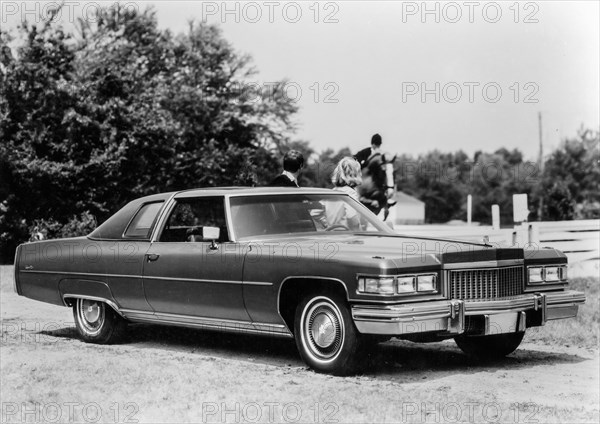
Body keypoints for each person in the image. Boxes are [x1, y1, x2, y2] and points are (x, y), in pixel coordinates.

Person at [325, 157, 362, 230]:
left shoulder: (331, 192)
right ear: (355, 173)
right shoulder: (350, 193)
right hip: (348, 237)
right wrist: (357, 234)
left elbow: (315, 213)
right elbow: (352, 216)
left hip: (331, 236)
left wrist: (329, 225)